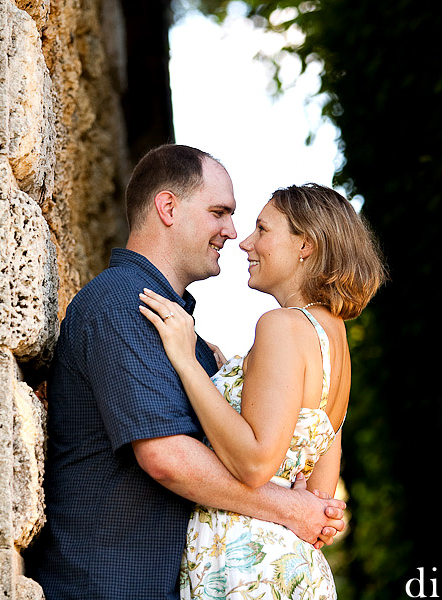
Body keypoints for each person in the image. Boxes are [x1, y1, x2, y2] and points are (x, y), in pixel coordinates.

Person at [23, 146, 347, 600]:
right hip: (108, 585)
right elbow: (168, 458)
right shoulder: (123, 304)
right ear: (168, 207)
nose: (232, 234)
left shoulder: (178, 328)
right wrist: (292, 507)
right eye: (219, 213)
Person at [138, 183, 387, 599]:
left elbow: (255, 464)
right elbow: (320, 495)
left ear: (305, 244)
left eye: (263, 230)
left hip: (243, 566)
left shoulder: (281, 325)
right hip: (292, 569)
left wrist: (185, 361)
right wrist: (231, 375)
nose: (246, 243)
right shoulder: (335, 342)